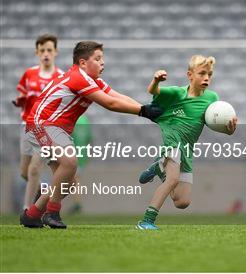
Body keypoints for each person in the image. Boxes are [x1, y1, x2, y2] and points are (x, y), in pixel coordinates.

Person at [19, 41, 163, 229]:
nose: (102, 63)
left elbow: (117, 97)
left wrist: (146, 109)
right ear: (83, 62)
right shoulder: (78, 77)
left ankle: (32, 215)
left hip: (56, 128)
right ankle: (52, 213)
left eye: (102, 58)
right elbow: (109, 104)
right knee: (70, 162)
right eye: (97, 58)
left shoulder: (92, 80)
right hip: (42, 124)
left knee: (67, 182)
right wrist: (143, 111)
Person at [136, 55, 238, 230]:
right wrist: (156, 80)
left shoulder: (212, 99)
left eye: (210, 74)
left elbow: (219, 126)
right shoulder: (177, 93)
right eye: (202, 73)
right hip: (172, 143)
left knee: (182, 202)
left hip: (187, 149)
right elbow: (153, 91)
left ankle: (157, 168)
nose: (206, 77)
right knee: (172, 179)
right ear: (190, 75)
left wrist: (229, 129)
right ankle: (147, 221)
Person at [14, 34, 63, 212]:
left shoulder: (60, 77)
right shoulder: (29, 74)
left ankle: (29, 210)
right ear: (37, 52)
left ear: (56, 52)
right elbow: (22, 97)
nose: (46, 54)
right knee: (24, 171)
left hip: (46, 128)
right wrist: (21, 102)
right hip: (26, 125)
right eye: (42, 50)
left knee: (35, 167)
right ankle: (42, 189)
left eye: (49, 50)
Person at [68, 115, 93, 214]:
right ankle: (76, 203)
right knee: (76, 179)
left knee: (75, 180)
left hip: (71, 154)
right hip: (83, 154)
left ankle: (77, 203)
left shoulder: (71, 118)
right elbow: (89, 139)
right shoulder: (85, 120)